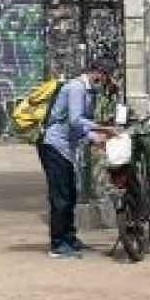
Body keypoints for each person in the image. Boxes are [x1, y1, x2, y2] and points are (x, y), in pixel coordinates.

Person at [37, 62, 112, 259]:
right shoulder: (76, 88)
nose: (104, 83)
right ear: (98, 74)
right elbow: (75, 120)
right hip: (54, 146)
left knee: (70, 194)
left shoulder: (86, 91)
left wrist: (95, 138)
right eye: (105, 77)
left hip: (66, 148)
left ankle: (69, 238)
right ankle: (57, 244)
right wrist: (101, 129)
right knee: (60, 196)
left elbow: (77, 128)